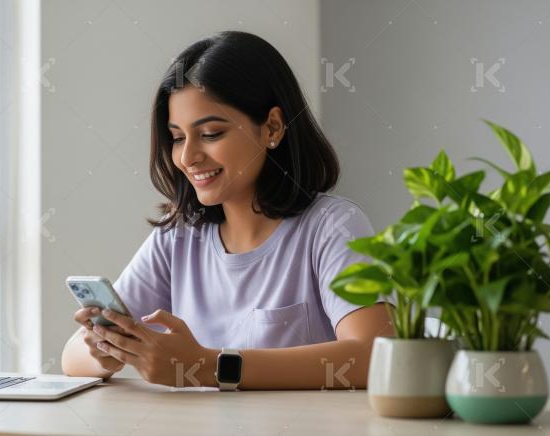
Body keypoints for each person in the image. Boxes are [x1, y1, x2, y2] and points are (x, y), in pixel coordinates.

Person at [61, 31, 391, 390]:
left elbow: (372, 356)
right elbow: (72, 357)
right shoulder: (177, 237)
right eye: (177, 138)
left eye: (210, 134)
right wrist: (106, 351)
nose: (188, 157)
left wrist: (206, 367)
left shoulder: (333, 227)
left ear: (272, 127)